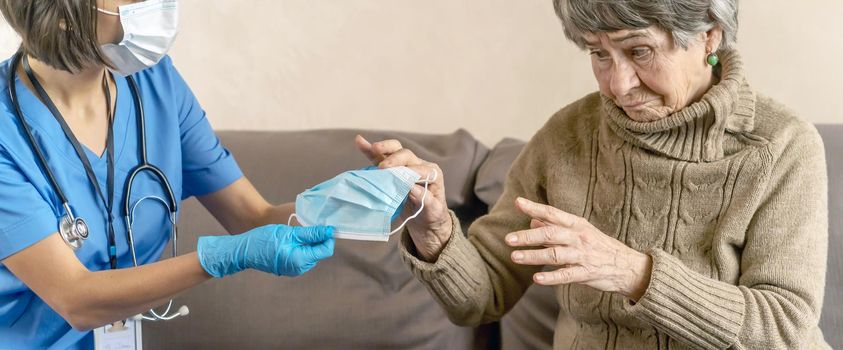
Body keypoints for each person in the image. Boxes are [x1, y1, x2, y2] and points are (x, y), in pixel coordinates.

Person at [357, 0, 831, 348]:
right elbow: (480, 299)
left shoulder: (781, 147)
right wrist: (434, 228)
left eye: (639, 51)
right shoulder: (568, 136)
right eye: (598, 54)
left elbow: (786, 328)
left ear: (709, 35)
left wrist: (633, 272)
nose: (618, 84)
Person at [0, 1, 334, 348]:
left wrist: (370, 198)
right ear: (63, 13)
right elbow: (76, 299)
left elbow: (255, 216)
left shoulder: (156, 84)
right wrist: (219, 257)